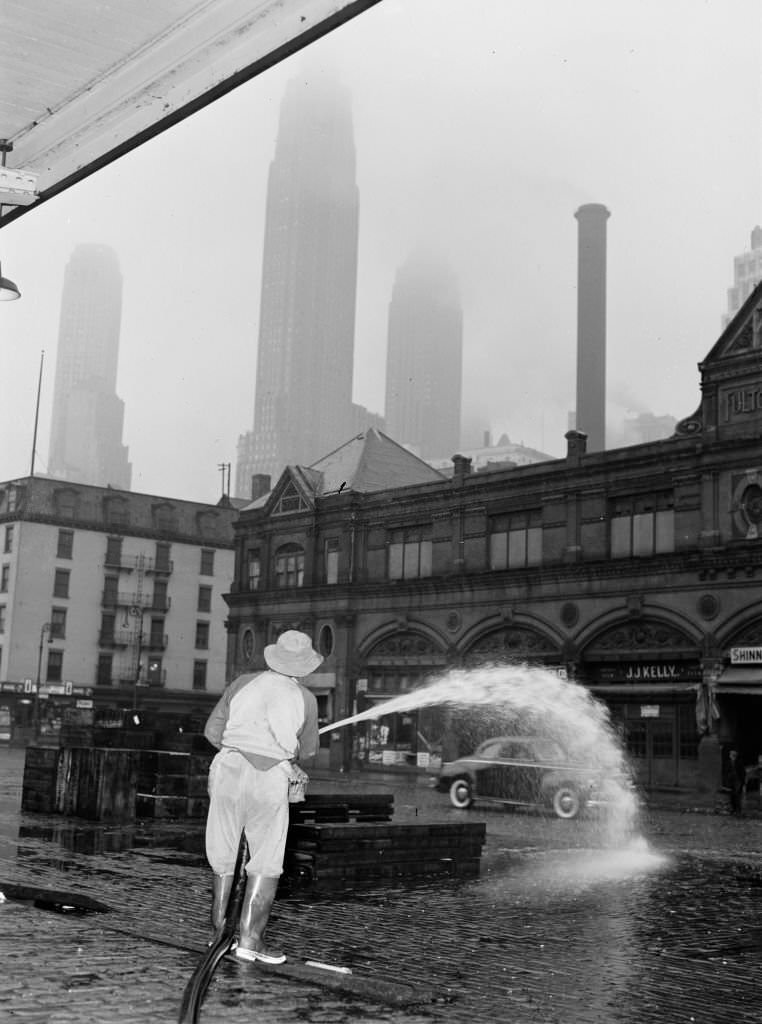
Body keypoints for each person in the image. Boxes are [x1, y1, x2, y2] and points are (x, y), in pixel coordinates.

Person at [204, 630, 321, 964]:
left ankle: (218, 936)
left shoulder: (242, 682)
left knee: (223, 855)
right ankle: (249, 942)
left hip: (227, 770)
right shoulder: (306, 699)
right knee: (266, 861)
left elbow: (213, 732)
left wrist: (242, 747)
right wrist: (288, 750)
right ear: (302, 667)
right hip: (269, 778)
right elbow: (308, 751)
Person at [725, 748, 746, 815]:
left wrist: (742, 781)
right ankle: (733, 809)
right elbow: (726, 772)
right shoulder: (728, 762)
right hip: (731, 781)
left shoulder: (739, 762)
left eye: (733, 754)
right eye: (731, 754)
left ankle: (738, 810)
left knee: (737, 796)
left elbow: (743, 772)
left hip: (738, 781)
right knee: (731, 796)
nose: (732, 755)